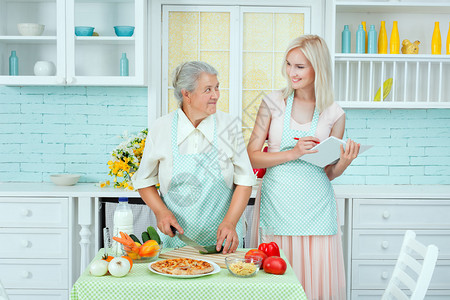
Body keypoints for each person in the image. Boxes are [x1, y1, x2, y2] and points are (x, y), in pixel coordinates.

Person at [247, 35, 360, 300]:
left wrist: (343, 162)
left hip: (316, 209)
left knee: (315, 284)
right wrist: (293, 152)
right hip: (277, 206)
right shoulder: (273, 102)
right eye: (288, 64)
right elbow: (251, 157)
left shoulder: (334, 113)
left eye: (300, 66)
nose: (291, 73)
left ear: (317, 68)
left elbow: (328, 173)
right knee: (274, 282)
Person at [132, 61, 256, 254]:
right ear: (186, 94)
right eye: (207, 90)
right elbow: (144, 180)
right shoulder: (161, 128)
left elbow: (245, 180)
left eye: (217, 88)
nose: (216, 95)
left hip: (224, 242)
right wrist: (161, 212)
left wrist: (230, 222)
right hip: (175, 241)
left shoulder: (228, 125)